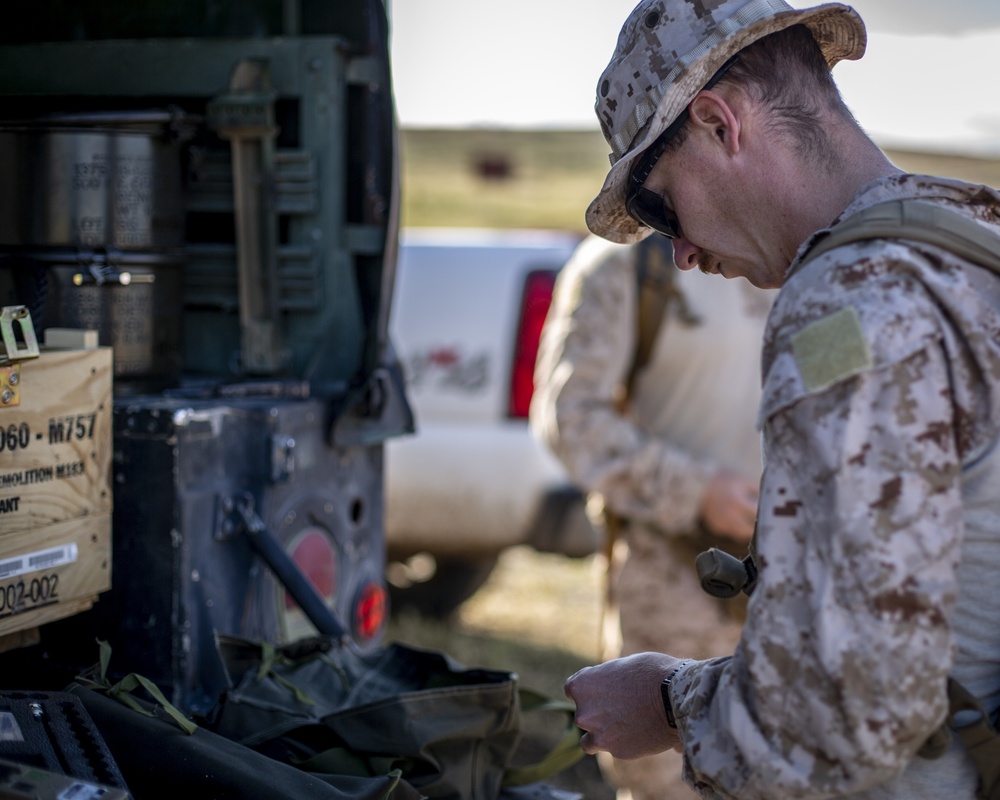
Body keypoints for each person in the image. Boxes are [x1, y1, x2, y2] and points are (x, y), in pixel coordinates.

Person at [562, 1, 1000, 799]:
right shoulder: (965, 252)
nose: (683, 251)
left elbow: (840, 721)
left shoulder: (846, 307)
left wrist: (668, 701)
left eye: (660, 206)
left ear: (720, 124)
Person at [531, 231, 771, 799]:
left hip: (799, 578)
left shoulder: (808, 250)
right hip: (676, 580)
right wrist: (696, 491)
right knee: (668, 781)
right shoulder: (625, 265)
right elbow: (572, 416)